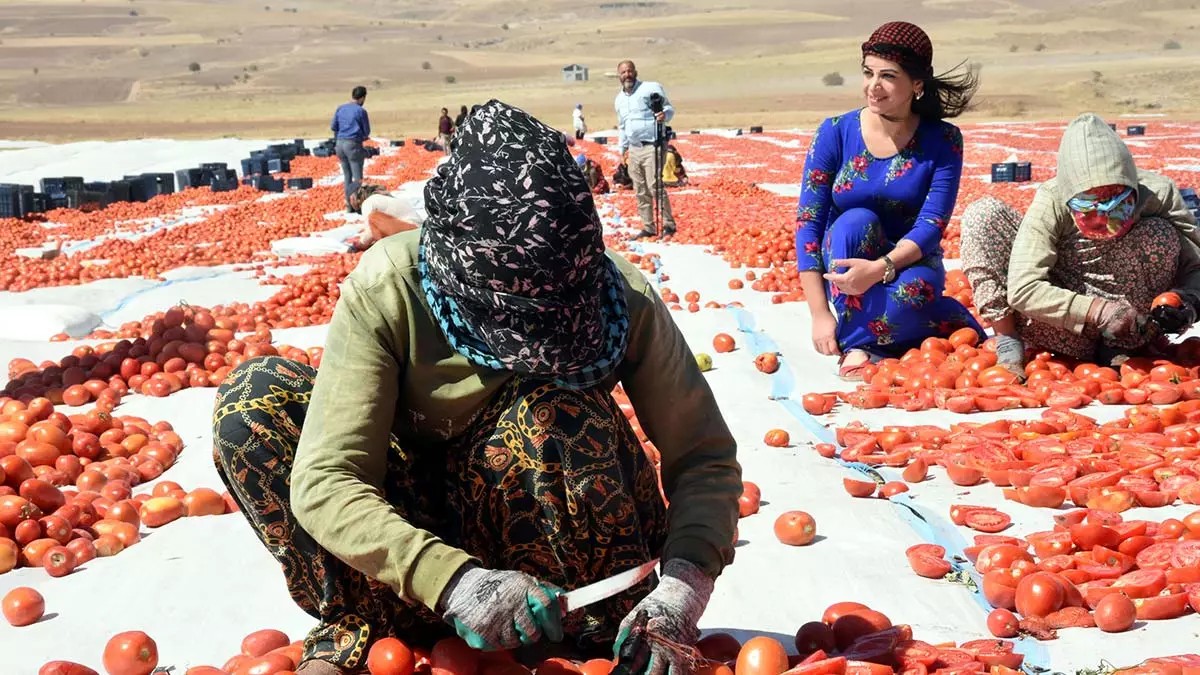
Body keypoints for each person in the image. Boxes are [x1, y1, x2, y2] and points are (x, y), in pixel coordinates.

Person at [212, 100, 741, 675]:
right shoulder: (392, 286)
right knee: (253, 402)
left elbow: (703, 456)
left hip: (561, 562)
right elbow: (326, 478)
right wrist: (453, 580)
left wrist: (686, 583)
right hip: (419, 532)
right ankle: (378, 623)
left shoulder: (620, 299)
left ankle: (584, 628)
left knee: (552, 404)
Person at [795, 22, 984, 380]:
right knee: (854, 220)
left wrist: (880, 268)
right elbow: (809, 221)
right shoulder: (835, 131)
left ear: (916, 84)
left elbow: (932, 224)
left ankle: (870, 341)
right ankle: (867, 340)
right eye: (868, 73)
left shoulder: (943, 139)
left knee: (914, 292)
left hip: (910, 259)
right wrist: (819, 314)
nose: (873, 86)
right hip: (849, 256)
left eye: (887, 76)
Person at [959, 112, 1200, 376]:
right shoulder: (1052, 200)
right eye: (1089, 210)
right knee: (982, 214)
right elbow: (1023, 287)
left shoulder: (1159, 193)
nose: (1105, 221)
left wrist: (1187, 302)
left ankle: (1120, 346)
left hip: (1133, 322)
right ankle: (1008, 339)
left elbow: (1196, 266)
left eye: (1117, 206)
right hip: (1061, 323)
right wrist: (1097, 311)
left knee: (1160, 232)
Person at [615, 60, 676, 239]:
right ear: (619, 76)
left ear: (635, 72)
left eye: (629, 71)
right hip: (634, 148)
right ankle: (648, 226)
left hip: (653, 144)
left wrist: (665, 115)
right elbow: (622, 125)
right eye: (623, 72)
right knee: (639, 187)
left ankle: (668, 225)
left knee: (654, 185)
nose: (627, 75)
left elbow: (669, 109)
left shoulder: (651, 88)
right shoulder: (619, 100)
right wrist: (622, 148)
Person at [331, 86, 371, 212]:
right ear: (363, 97)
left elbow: (334, 126)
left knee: (347, 176)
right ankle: (358, 206)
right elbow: (366, 131)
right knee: (358, 177)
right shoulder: (360, 111)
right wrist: (362, 137)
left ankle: (349, 205)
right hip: (352, 144)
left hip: (340, 144)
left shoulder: (341, 108)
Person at [348, 183, 423, 249]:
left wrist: (361, 244)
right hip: (418, 230)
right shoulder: (380, 198)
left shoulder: (368, 202)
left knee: (373, 218)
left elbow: (370, 228)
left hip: (412, 231)